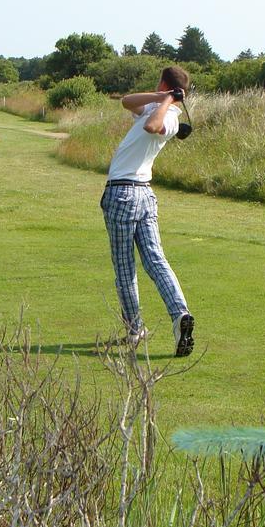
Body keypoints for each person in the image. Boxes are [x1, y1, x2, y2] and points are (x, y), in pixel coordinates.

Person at [100, 65, 195, 356]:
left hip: (122, 193)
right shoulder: (156, 106)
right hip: (143, 194)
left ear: (164, 83)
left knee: (125, 267)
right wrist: (162, 95)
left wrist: (166, 100)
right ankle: (180, 317)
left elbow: (151, 127)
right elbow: (127, 101)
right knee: (155, 260)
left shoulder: (169, 119)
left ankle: (135, 329)